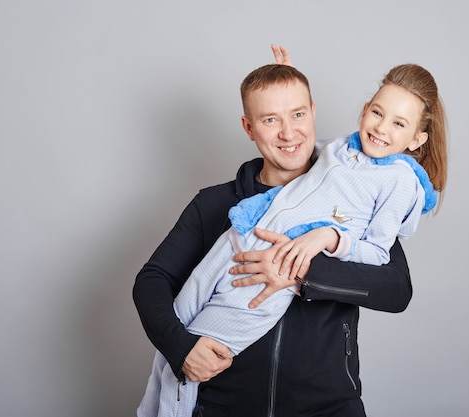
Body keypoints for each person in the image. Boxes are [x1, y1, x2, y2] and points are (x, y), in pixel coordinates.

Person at [134, 46, 444, 417]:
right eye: (269, 120)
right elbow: (152, 280)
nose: (288, 133)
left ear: (313, 113)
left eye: (298, 114)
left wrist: (303, 271)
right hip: (225, 406)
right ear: (249, 127)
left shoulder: (354, 200)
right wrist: (181, 347)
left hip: (326, 406)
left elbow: (396, 290)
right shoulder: (217, 203)